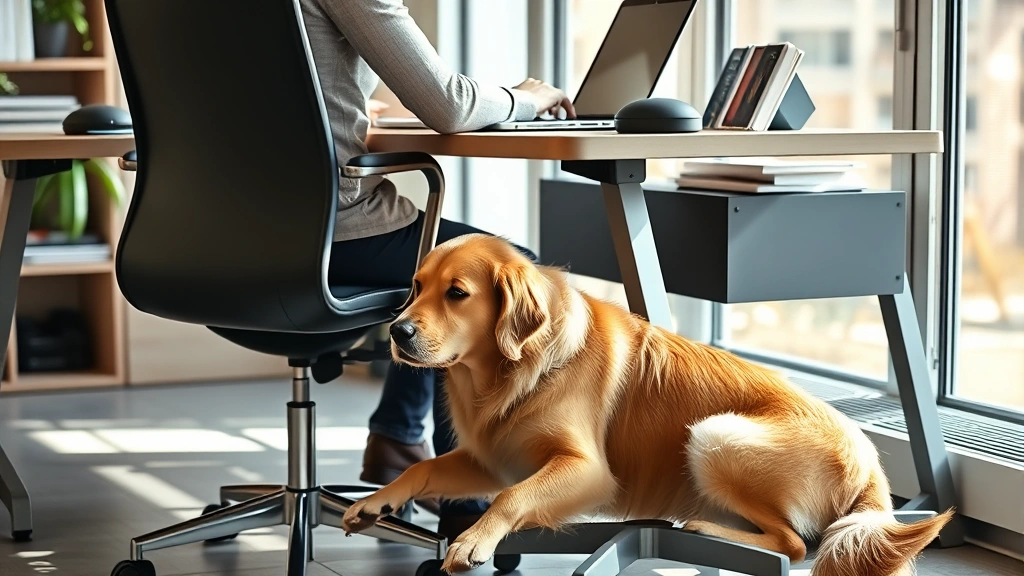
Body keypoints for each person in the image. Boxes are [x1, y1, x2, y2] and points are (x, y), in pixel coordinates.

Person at [300, 0, 577, 540]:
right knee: (505, 272)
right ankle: (467, 494)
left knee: (445, 277)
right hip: (333, 236)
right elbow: (447, 105)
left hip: (213, 244)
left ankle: (397, 436)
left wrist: (348, 110)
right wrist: (528, 97)